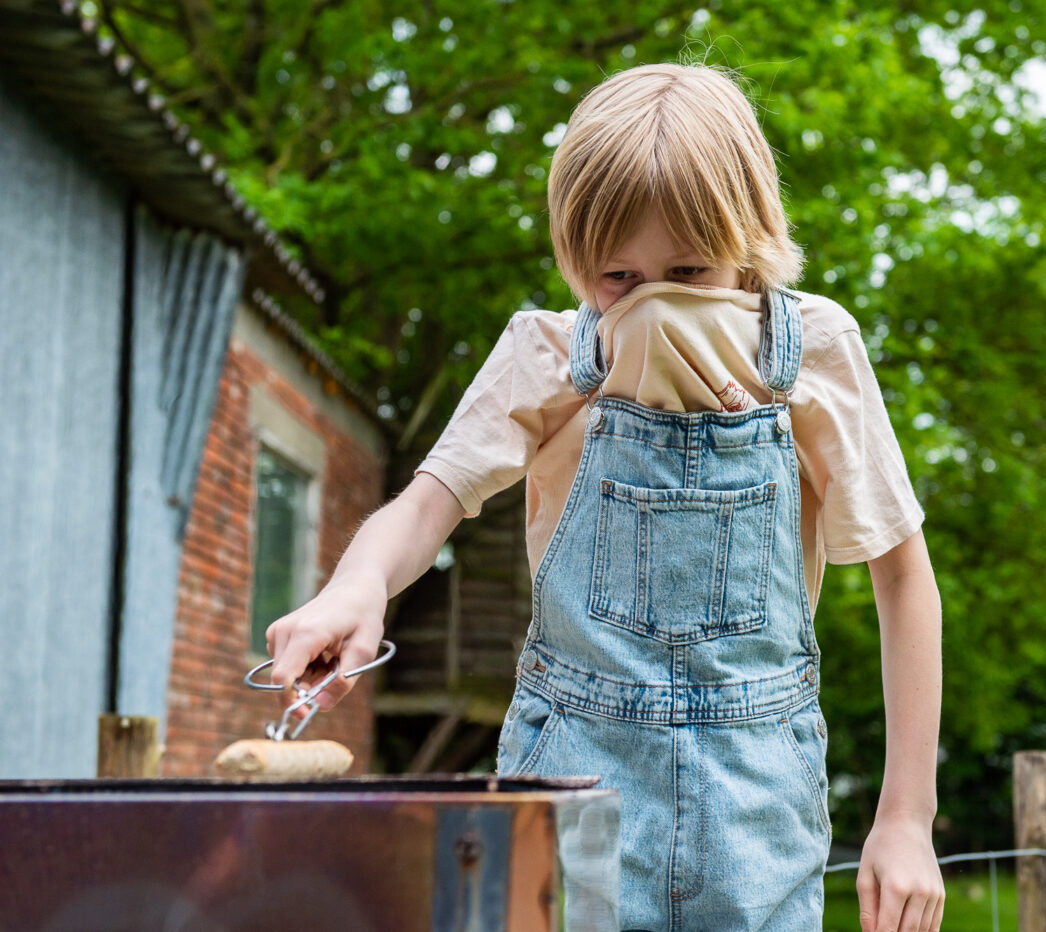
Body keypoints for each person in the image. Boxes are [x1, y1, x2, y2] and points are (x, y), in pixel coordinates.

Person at [266, 61, 945, 931]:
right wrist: (354, 588)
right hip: (572, 778)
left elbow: (901, 576)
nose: (652, 299)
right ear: (575, 259)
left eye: (689, 269)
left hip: (760, 801)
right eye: (617, 277)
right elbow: (426, 503)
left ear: (752, 240)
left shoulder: (813, 352)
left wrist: (905, 819)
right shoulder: (547, 357)